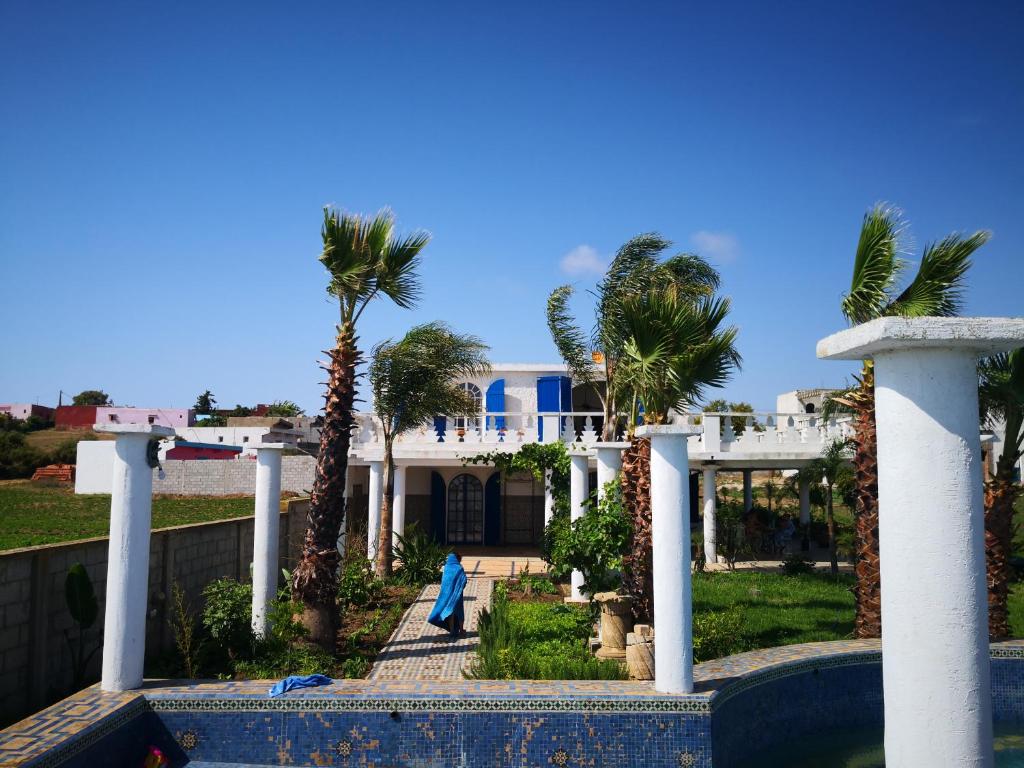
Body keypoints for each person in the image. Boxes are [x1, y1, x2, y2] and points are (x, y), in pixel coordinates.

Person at [427, 552, 467, 636]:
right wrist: (459, 588)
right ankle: (461, 630)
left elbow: (444, 581)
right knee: (459, 612)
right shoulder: (459, 568)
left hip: (447, 595)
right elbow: (464, 580)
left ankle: (452, 630)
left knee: (450, 612)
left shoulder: (446, 568)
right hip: (457, 595)